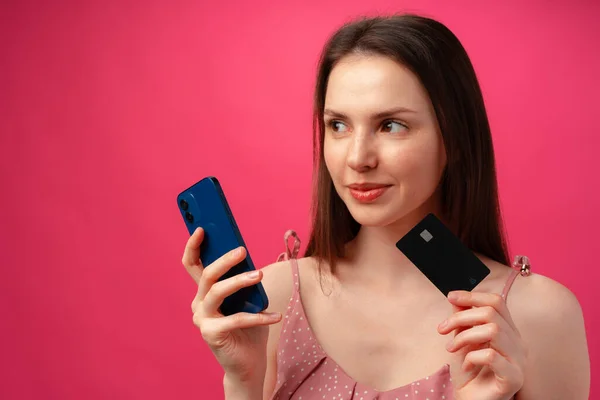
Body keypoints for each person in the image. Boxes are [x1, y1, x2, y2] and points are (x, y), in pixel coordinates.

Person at [181, 13, 590, 400]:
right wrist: (242, 380)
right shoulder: (276, 297)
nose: (358, 157)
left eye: (391, 125)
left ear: (455, 138)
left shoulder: (538, 317)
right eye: (338, 125)